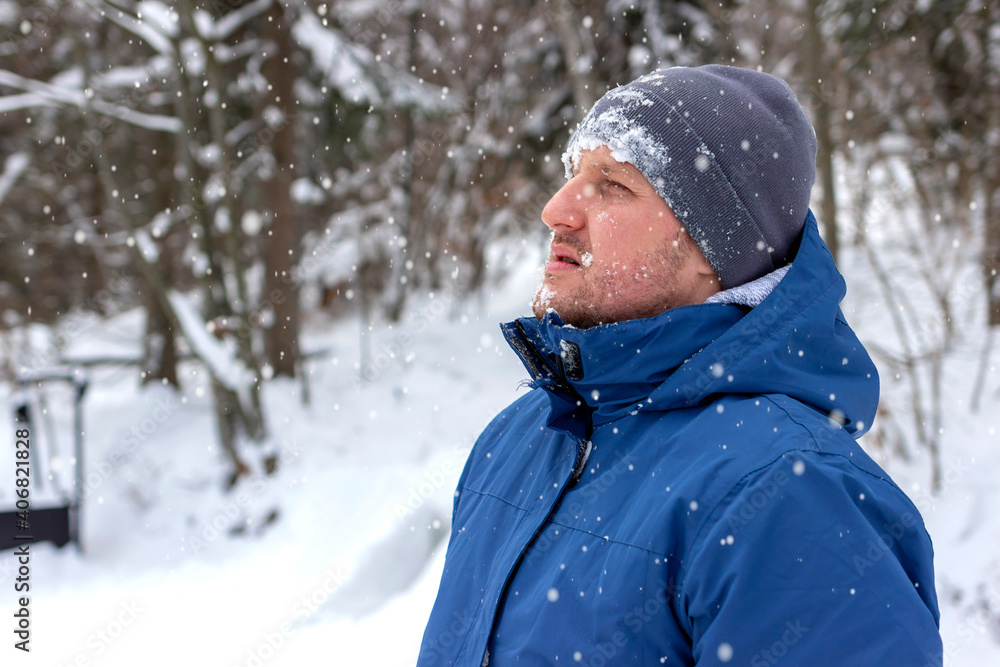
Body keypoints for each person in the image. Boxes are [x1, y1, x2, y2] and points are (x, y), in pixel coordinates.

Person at [418, 65, 941, 666]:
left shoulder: (791, 495)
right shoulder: (518, 439)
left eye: (611, 185)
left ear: (713, 251)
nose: (556, 210)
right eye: (572, 174)